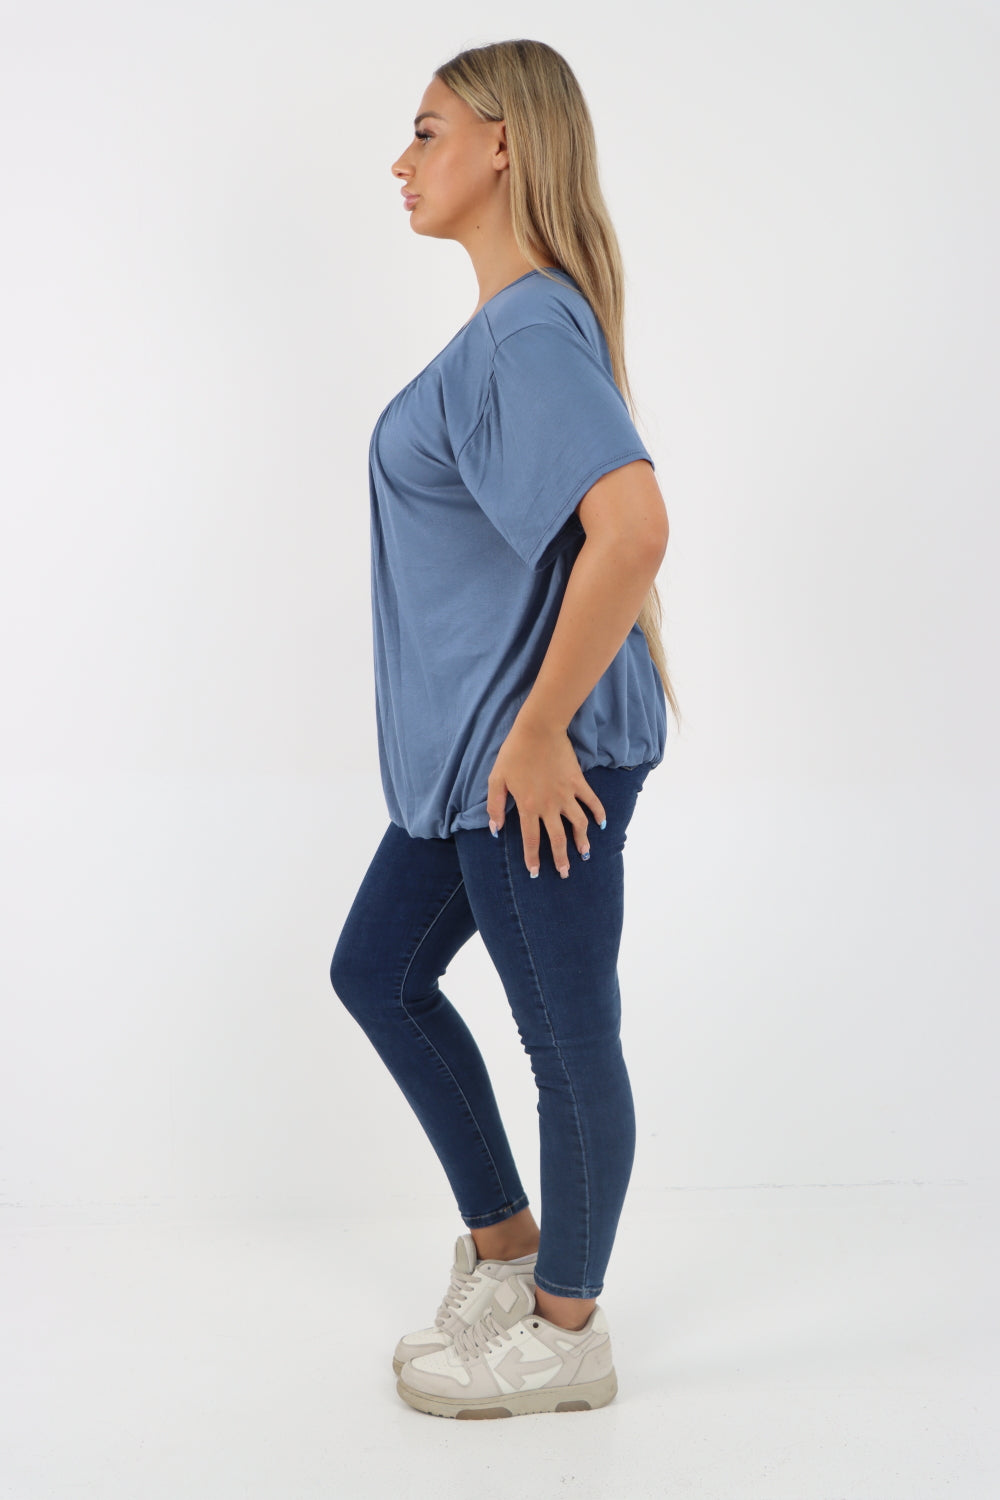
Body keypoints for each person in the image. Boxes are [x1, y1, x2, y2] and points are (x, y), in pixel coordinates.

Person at [330, 38, 680, 1420]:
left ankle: (566, 1331)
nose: (402, 160)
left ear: (505, 144)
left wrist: (538, 735)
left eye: (427, 131)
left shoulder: (529, 330)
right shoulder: (511, 332)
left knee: (565, 1039)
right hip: (476, 769)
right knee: (378, 971)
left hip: (537, 764)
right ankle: (507, 1248)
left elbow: (632, 529)